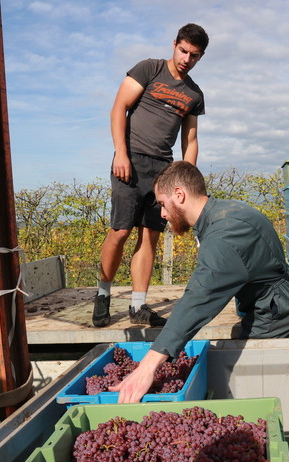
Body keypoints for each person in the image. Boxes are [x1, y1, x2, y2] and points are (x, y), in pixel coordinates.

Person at [112, 160, 289, 403]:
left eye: (162, 203)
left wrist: (148, 366)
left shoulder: (226, 233)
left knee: (262, 382)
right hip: (267, 295)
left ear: (179, 194)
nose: (161, 213)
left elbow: (199, 297)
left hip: (273, 308)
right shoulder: (219, 212)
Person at [92, 23, 209, 328]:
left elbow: (191, 140)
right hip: (129, 162)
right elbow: (119, 108)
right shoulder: (149, 70)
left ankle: (137, 305)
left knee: (150, 235)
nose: (186, 59)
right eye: (183, 51)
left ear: (200, 57)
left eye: (194, 55)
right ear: (174, 44)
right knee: (119, 231)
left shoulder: (194, 94)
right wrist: (120, 152)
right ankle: (103, 293)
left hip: (163, 171)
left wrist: (186, 179)